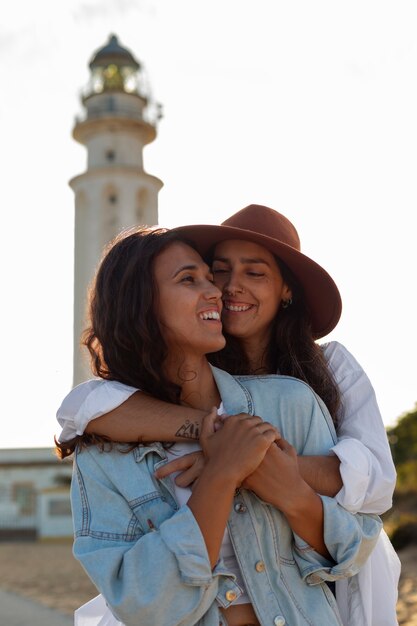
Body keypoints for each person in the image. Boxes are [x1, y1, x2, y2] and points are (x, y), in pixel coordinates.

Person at [57, 205, 400, 625]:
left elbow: (373, 488)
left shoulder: (313, 382)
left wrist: (259, 462)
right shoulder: (113, 427)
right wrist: (218, 447)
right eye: (213, 273)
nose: (225, 289)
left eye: (254, 273)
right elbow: (82, 411)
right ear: (141, 303)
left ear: (286, 290)